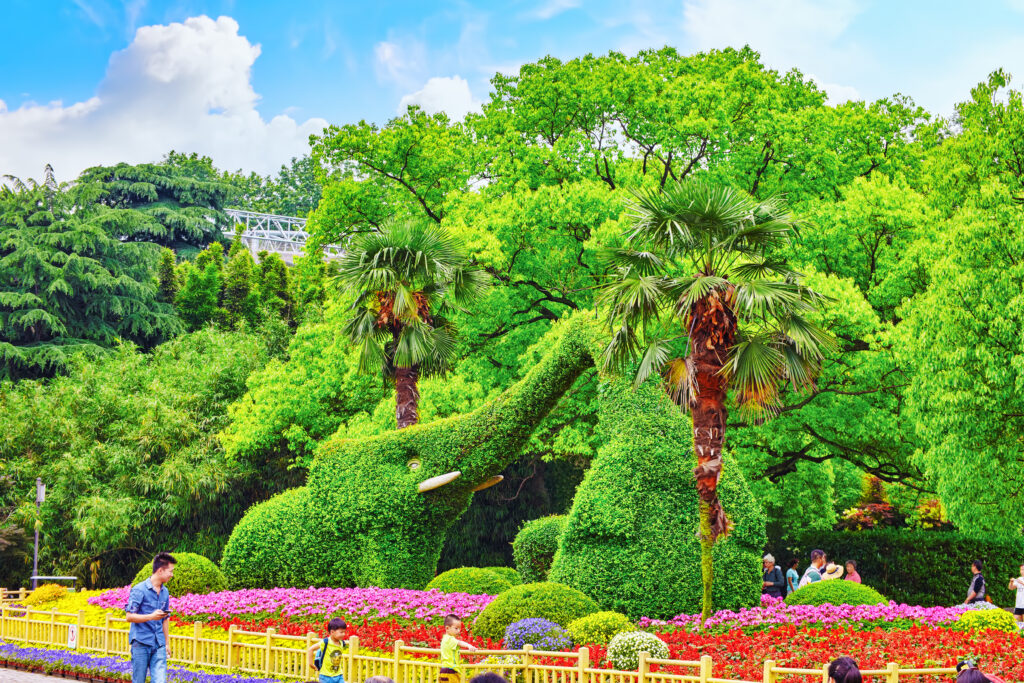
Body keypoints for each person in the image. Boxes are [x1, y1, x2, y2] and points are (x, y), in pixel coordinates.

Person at [125, 552, 175, 683]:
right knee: (139, 680)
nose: (172, 575)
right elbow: (129, 616)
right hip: (141, 642)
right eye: (170, 571)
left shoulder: (165, 592)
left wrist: (167, 643)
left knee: (160, 681)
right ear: (160, 570)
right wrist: (151, 617)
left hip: (159, 644)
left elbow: (165, 618)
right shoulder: (139, 590)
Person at [307, 617, 347, 683]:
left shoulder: (342, 643)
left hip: (339, 675)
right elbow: (311, 649)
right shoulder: (326, 642)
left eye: (344, 632)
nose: (343, 634)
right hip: (326, 676)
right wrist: (311, 664)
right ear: (332, 632)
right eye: (341, 632)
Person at [440, 613, 478, 683]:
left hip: (444, 670)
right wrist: (469, 646)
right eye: (456, 628)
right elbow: (460, 643)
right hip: (451, 670)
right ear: (447, 628)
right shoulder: (450, 639)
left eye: (459, 628)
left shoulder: (444, 638)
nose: (458, 631)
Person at [1009, 563, 1024, 630]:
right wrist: (1011, 582)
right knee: (1015, 625)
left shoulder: (1020, 580)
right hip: (1018, 605)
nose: (1022, 571)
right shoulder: (1019, 578)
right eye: (1021, 570)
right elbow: (1011, 588)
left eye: (1023, 569)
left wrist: (1022, 583)